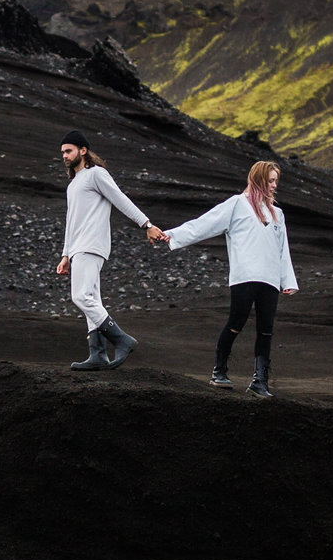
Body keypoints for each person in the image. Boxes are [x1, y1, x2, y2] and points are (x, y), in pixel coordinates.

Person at [158, 160, 296, 397]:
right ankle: (219, 372)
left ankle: (260, 381)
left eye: (276, 181)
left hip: (270, 279)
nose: (274, 186)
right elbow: (205, 224)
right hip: (244, 276)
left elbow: (283, 250)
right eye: (270, 180)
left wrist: (288, 281)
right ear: (259, 179)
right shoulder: (237, 205)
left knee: (266, 330)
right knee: (236, 322)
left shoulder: (278, 215)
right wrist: (171, 236)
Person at [55, 130, 154, 371]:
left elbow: (120, 199)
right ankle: (97, 353)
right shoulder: (73, 184)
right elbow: (71, 221)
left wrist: (147, 224)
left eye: (69, 151)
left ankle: (122, 340)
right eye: (62, 153)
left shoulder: (96, 174)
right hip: (78, 247)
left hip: (92, 244)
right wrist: (66, 254)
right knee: (92, 299)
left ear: (83, 150)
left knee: (81, 297)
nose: (65, 156)